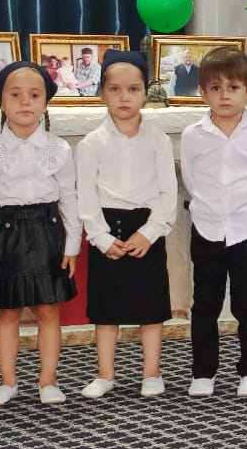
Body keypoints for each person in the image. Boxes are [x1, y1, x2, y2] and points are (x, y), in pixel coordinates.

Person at [0, 62, 78, 407]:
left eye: (34, 95)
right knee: (8, 312)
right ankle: (7, 381)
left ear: (45, 103)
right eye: (15, 95)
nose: (25, 102)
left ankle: (48, 381)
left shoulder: (59, 149)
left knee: (47, 310)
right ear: (1, 102)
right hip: (7, 235)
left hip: (47, 232)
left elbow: (70, 199)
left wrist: (72, 246)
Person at [179, 47, 247, 397]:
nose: (224, 95)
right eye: (215, 87)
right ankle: (203, 372)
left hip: (246, 231)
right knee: (205, 304)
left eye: (233, 87)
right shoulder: (193, 135)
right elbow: (191, 180)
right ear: (202, 92)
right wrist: (206, 211)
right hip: (207, 229)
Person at [75, 50, 177, 400]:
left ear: (145, 92)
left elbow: (167, 193)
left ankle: (152, 372)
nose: (124, 97)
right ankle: (105, 374)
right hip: (107, 228)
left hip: (146, 228)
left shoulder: (158, 140)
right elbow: (86, 196)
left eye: (133, 89)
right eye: (115, 89)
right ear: (102, 92)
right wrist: (101, 237)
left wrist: (150, 232)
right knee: (107, 310)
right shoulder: (91, 144)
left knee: (151, 307)